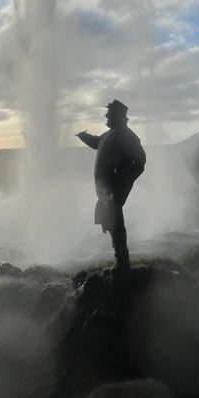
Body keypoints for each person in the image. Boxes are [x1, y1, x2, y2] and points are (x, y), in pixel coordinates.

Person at [76, 100, 146, 271]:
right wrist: (83, 136)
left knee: (115, 219)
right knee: (109, 218)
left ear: (118, 116)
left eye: (109, 114)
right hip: (105, 188)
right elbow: (96, 142)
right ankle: (120, 257)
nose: (106, 116)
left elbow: (140, 161)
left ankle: (122, 260)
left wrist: (121, 179)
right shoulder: (110, 134)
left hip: (115, 187)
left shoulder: (126, 135)